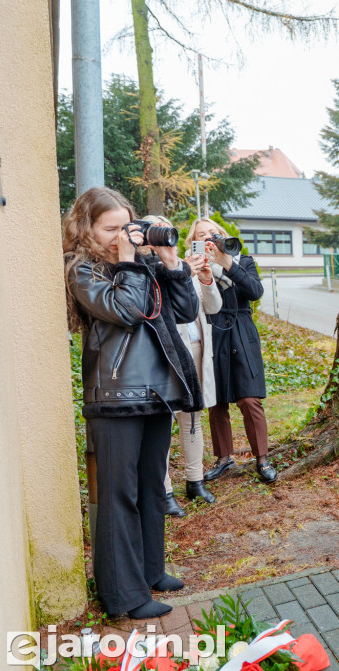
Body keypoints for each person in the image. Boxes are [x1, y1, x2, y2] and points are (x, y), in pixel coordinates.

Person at [63, 187, 202, 618]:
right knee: (119, 495)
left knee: (150, 489)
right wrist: (128, 262)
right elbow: (124, 310)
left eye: (126, 226)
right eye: (110, 228)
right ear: (86, 228)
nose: (120, 235)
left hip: (157, 392)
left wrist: (170, 263)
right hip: (115, 397)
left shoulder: (142, 265)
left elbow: (184, 310)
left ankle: (149, 571)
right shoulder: (82, 270)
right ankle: (123, 596)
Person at [142, 216, 222, 518]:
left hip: (196, 349)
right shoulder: (144, 267)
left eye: (166, 229)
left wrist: (203, 278)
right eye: (154, 230)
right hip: (165, 350)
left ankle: (195, 480)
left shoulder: (182, 264)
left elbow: (210, 307)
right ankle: (164, 492)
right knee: (163, 422)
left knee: (192, 419)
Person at [198, 218, 277, 484]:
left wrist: (227, 263)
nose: (209, 238)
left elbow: (255, 291)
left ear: (223, 236)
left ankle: (262, 458)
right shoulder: (191, 267)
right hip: (211, 331)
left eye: (214, 233)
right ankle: (223, 458)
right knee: (216, 401)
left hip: (242, 330)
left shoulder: (243, 261)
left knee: (249, 398)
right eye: (202, 235)